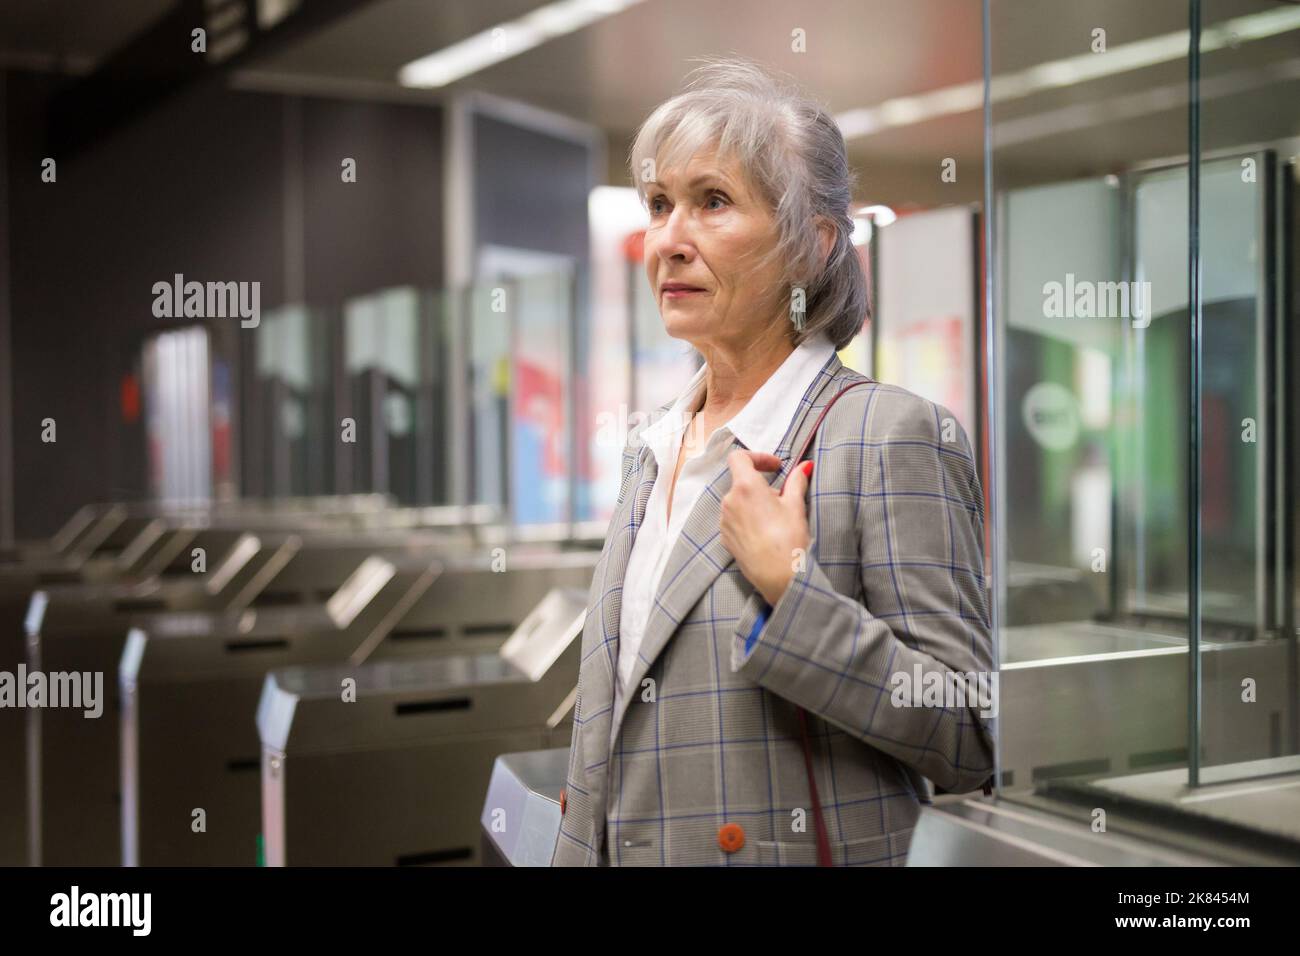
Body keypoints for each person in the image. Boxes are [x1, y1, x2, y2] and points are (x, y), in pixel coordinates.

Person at [552, 56, 994, 866]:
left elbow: (966, 733)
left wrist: (794, 592)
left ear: (811, 244)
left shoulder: (890, 436)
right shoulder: (653, 445)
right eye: (659, 205)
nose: (669, 241)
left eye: (712, 202)